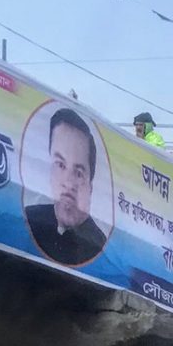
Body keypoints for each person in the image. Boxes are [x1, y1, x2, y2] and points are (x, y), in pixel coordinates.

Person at [24, 107, 108, 267]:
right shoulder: (30, 219)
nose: (68, 183)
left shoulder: (99, 249)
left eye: (78, 173)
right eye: (60, 165)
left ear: (90, 186)